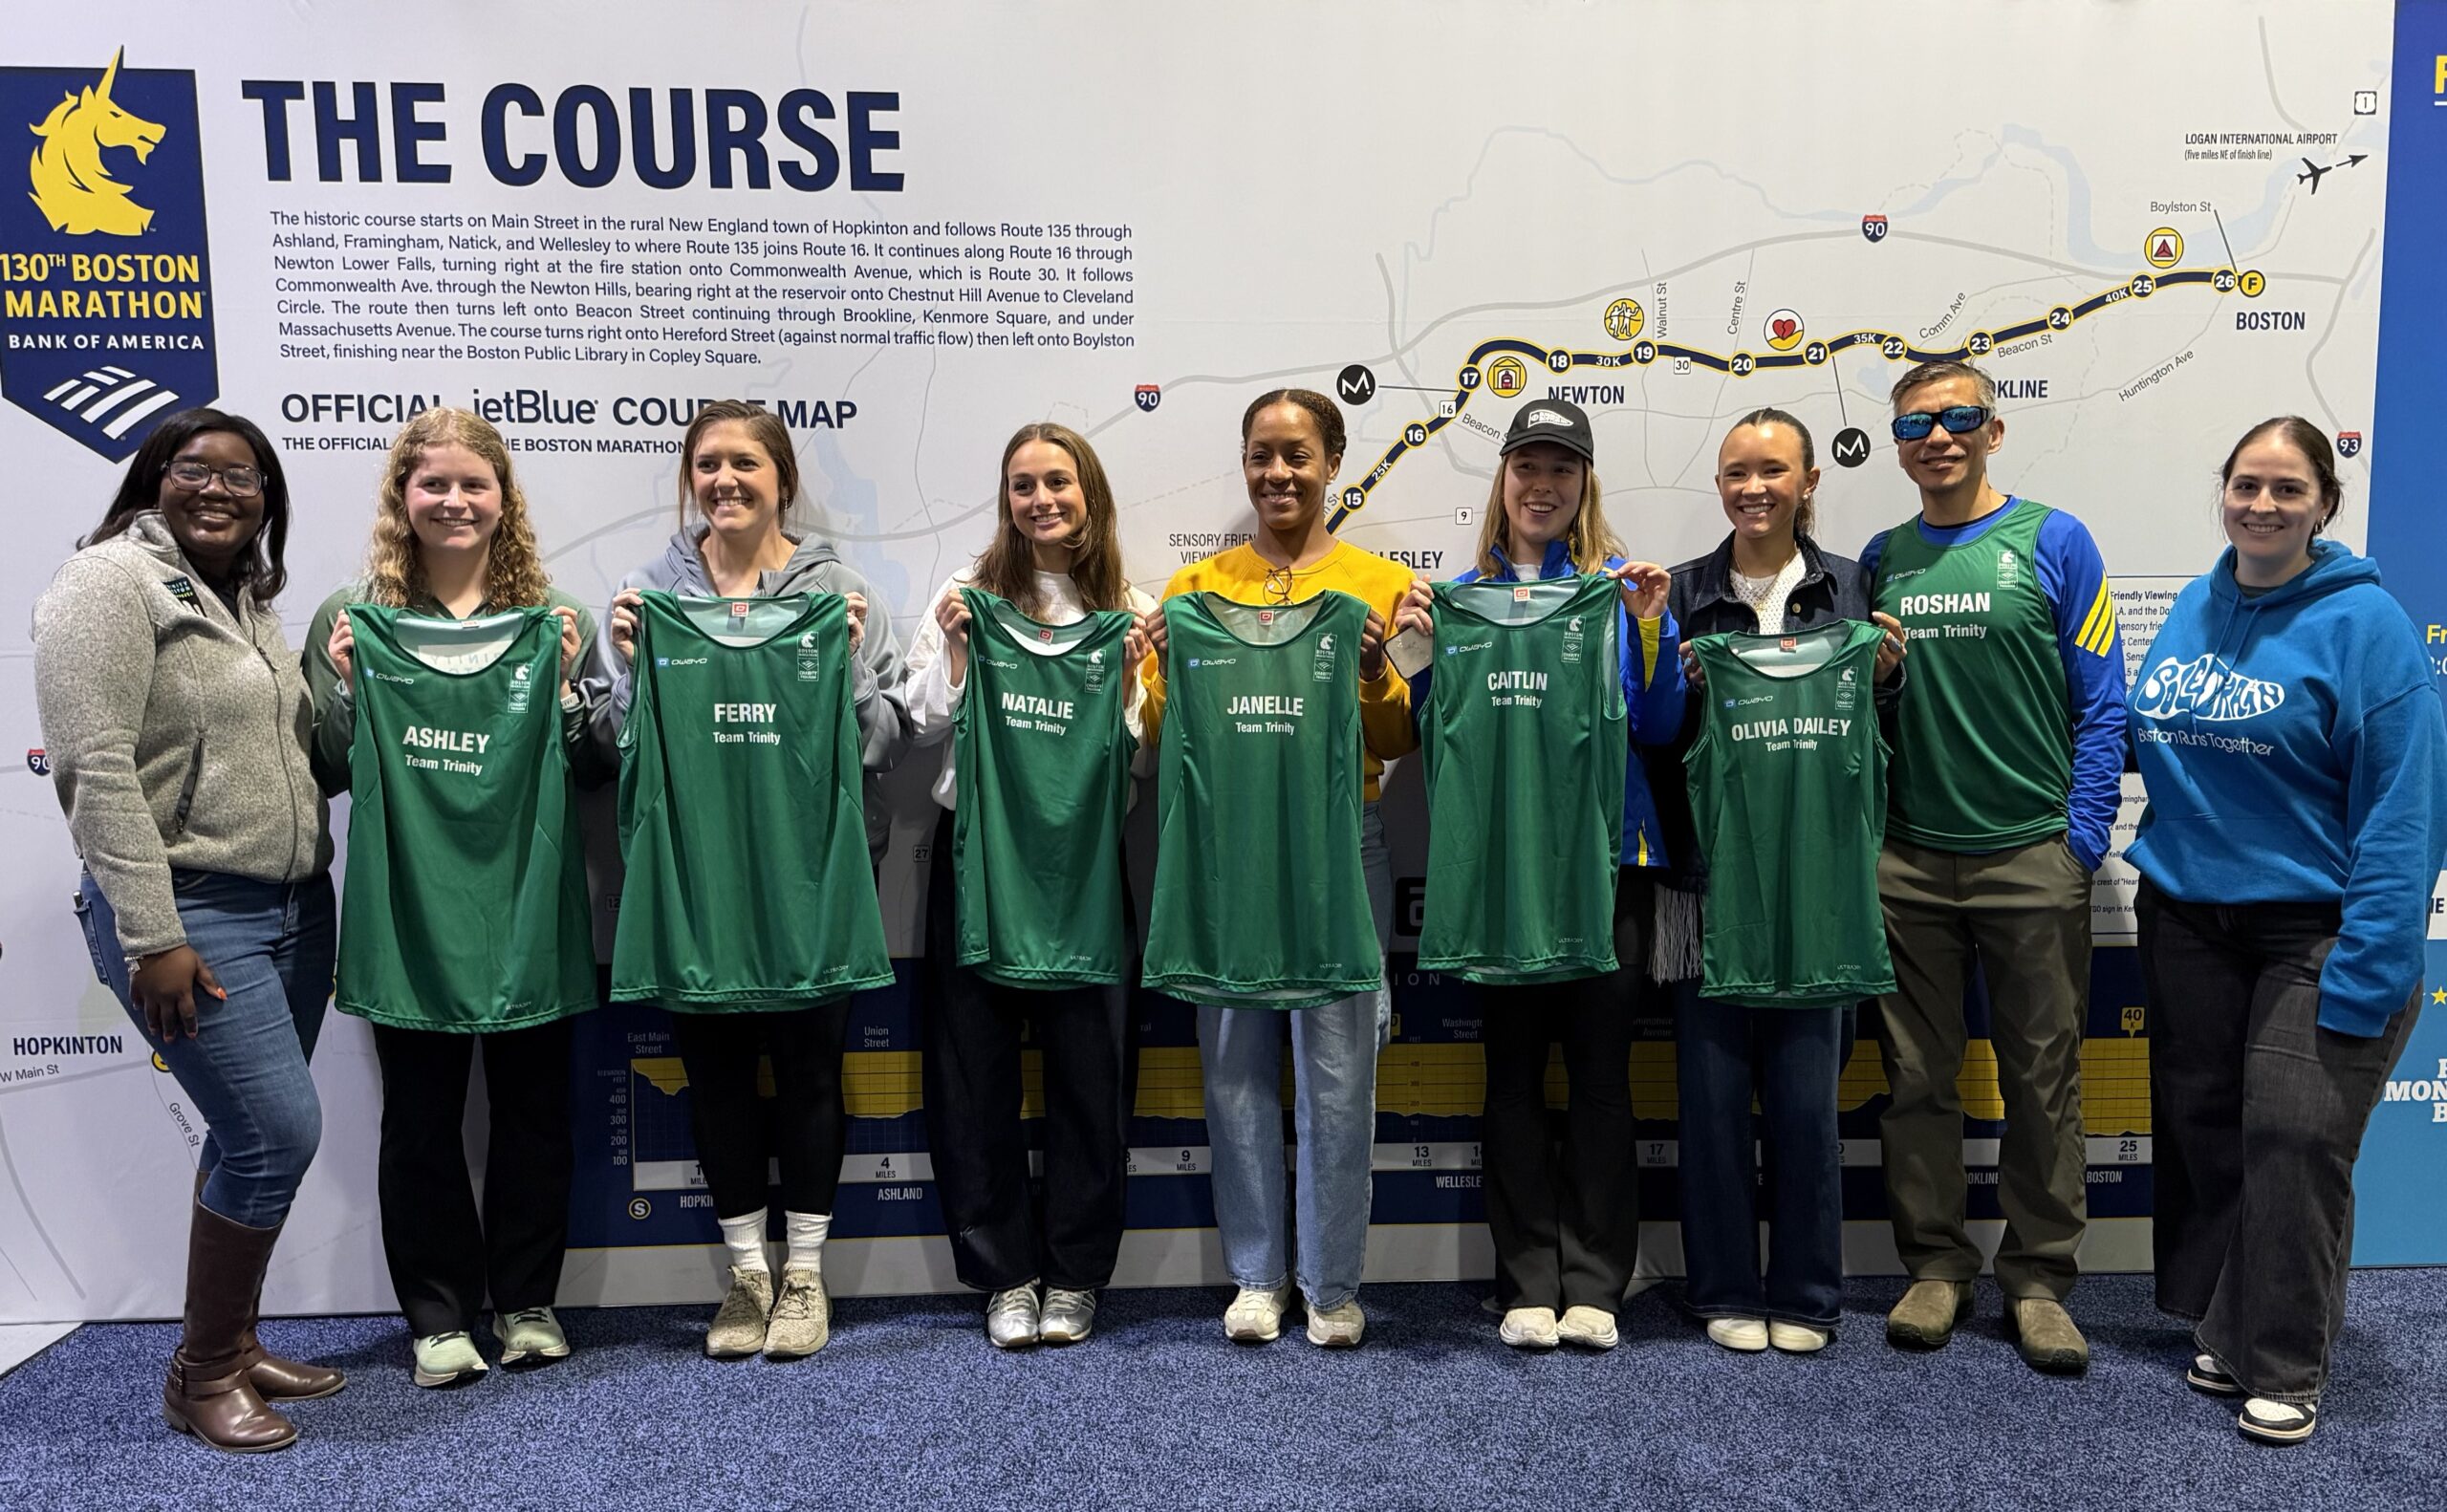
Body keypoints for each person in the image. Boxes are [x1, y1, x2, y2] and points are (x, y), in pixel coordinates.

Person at [2127, 416, 2447, 1444]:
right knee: (2210, 1131)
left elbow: (2403, 812)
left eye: (2286, 489)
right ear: (2223, 494)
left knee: (2296, 1139)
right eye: (2246, 486)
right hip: (2189, 918)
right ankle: (2227, 1327)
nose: (2261, 505)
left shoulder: (2368, 628)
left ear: (2323, 506)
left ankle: (2287, 1362)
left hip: (2315, 926)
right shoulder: (2197, 601)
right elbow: (2160, 740)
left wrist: (2372, 964)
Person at [32, 409, 338, 1452]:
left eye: (243, 477)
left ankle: (235, 1342)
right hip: (190, 911)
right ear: (152, 478)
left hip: (293, 908)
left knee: (247, 1135)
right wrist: (151, 933)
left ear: (267, 500)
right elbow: (94, 767)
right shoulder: (107, 582)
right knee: (276, 1134)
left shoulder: (245, 599)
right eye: (194, 469)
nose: (219, 489)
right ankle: (201, 1374)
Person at [596, 400, 909, 1360]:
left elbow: (885, 741)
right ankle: (746, 1276)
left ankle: (804, 1274)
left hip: (811, 877)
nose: (724, 481)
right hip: (698, 882)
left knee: (812, 1074)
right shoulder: (651, 594)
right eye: (707, 465)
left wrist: (849, 664)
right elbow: (615, 748)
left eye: (744, 463)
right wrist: (627, 665)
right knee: (718, 1081)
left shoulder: (838, 592)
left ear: (783, 480)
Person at [304, 408, 603, 1388]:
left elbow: (596, 769)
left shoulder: (556, 616)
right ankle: (436, 1317)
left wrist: (566, 688)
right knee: (421, 1122)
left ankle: (526, 1303)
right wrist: (347, 687)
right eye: (433, 483)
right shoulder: (352, 615)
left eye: (474, 483)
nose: (454, 501)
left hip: (529, 908)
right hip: (409, 914)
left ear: (503, 498)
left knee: (534, 1116)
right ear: (403, 496)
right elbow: (329, 766)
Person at [1391, 399, 1678, 1351]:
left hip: (1606, 867)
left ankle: (1595, 1282)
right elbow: (1433, 724)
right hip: (1502, 871)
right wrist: (1414, 645)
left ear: (1584, 484)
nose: (1542, 486)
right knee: (1511, 1076)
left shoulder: (1616, 594)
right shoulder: (1459, 598)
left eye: (1561, 469)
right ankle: (1525, 1278)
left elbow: (1658, 724)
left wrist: (1648, 628)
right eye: (1528, 467)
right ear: (1504, 478)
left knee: (1599, 1079)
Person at [1861, 360, 2127, 1372]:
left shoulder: (2055, 539)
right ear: (1897, 445)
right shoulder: (1882, 559)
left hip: (2030, 854)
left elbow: (2102, 702)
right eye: (1916, 425)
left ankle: (2039, 1278)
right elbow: (1865, 711)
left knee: (2042, 1079)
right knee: (1915, 1078)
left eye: (1958, 417)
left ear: (1993, 430)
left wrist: (2080, 840)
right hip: (1908, 860)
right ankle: (1935, 1265)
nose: (1938, 437)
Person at [1139, 388, 1412, 1348]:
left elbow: (1399, 736)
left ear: (1333, 462)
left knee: (1339, 1076)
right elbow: (1166, 735)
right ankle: (1256, 1277)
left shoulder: (1380, 585)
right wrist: (1157, 663)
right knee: (1235, 1069)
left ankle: (1331, 1284)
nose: (1279, 473)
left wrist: (1374, 668)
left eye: (1297, 454)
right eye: (1262, 454)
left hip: (1342, 843)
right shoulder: (1192, 590)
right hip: (1229, 848)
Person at [1656, 409, 1904, 1355]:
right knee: (1712, 1101)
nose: (1752, 488)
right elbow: (1653, 737)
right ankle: (1721, 1285)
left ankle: (1805, 1291)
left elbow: (1882, 737)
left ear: (1808, 482)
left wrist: (1886, 678)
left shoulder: (1855, 590)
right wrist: (1673, 683)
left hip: (1818, 885)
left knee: (1806, 1102)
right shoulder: (1682, 594)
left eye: (1771, 471)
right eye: (1735, 472)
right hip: (1705, 883)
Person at [903, 423, 1154, 1349]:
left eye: (1057, 481)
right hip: (980, 858)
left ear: (1089, 493)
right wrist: (956, 653)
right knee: (974, 1076)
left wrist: (1129, 682)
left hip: (1082, 862)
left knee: (1092, 1077)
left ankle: (1077, 1274)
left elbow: (1141, 761)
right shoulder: (967, 597)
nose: (1041, 499)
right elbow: (921, 722)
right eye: (1022, 485)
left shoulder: (1131, 610)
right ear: (1005, 500)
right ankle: (1004, 1273)